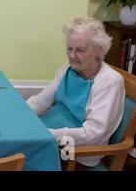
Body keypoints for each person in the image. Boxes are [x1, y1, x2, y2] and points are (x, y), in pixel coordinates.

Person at [27, 16, 125, 168]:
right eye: (69, 49)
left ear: (99, 50)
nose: (72, 56)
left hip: (77, 154)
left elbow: (93, 133)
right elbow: (41, 101)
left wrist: (50, 134)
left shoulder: (110, 82)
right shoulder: (68, 68)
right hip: (51, 139)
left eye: (80, 50)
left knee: (18, 160)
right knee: (12, 151)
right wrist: (19, 115)